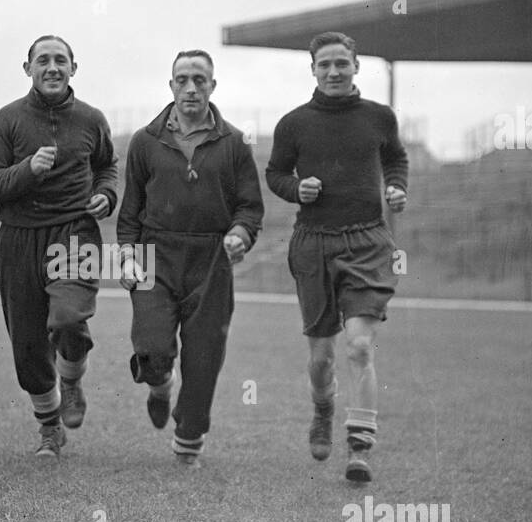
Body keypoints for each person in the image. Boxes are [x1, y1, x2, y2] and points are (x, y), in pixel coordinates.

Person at [265, 32, 408, 483]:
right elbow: (275, 174)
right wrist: (296, 189)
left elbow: (396, 159)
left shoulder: (380, 118)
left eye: (341, 64)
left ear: (355, 66)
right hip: (313, 243)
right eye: (324, 65)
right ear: (312, 70)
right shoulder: (293, 124)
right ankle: (323, 409)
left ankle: (360, 447)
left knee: (360, 345)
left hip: (367, 242)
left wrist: (396, 188)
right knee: (322, 358)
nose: (333, 72)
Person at [116, 50, 263, 468]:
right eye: (182, 79)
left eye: (200, 80)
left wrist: (239, 234)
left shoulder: (234, 143)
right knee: (152, 350)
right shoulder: (146, 141)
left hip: (210, 259)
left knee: (203, 357)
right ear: (171, 86)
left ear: (213, 86)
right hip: (153, 256)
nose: (191, 88)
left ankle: (189, 437)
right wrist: (127, 256)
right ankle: (160, 386)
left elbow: (250, 208)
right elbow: (129, 213)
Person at [0, 35, 118, 460]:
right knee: (27, 344)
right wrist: (27, 169)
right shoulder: (7, 119)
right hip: (19, 236)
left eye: (61, 60)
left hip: (74, 231)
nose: (52, 67)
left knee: (69, 320)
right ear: (28, 69)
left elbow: (107, 167)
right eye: (43, 60)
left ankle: (72, 379)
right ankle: (49, 428)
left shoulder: (93, 119)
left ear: (74, 68)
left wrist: (108, 195)